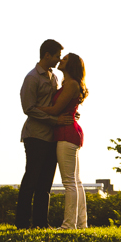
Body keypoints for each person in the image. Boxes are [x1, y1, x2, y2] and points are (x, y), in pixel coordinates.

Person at [15, 39, 72, 229]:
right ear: (47, 55)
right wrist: (55, 120)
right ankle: (22, 223)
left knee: (45, 183)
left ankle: (41, 223)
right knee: (31, 179)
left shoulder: (53, 77)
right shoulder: (32, 78)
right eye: (57, 56)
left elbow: (55, 104)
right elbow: (28, 108)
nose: (58, 60)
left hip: (51, 137)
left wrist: (67, 113)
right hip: (35, 135)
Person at [38, 52, 88, 229]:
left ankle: (69, 224)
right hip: (70, 133)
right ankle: (81, 223)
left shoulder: (71, 84)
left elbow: (55, 109)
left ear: (71, 65)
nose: (61, 60)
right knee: (76, 181)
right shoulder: (69, 84)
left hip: (66, 134)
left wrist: (33, 108)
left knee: (69, 182)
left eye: (65, 59)